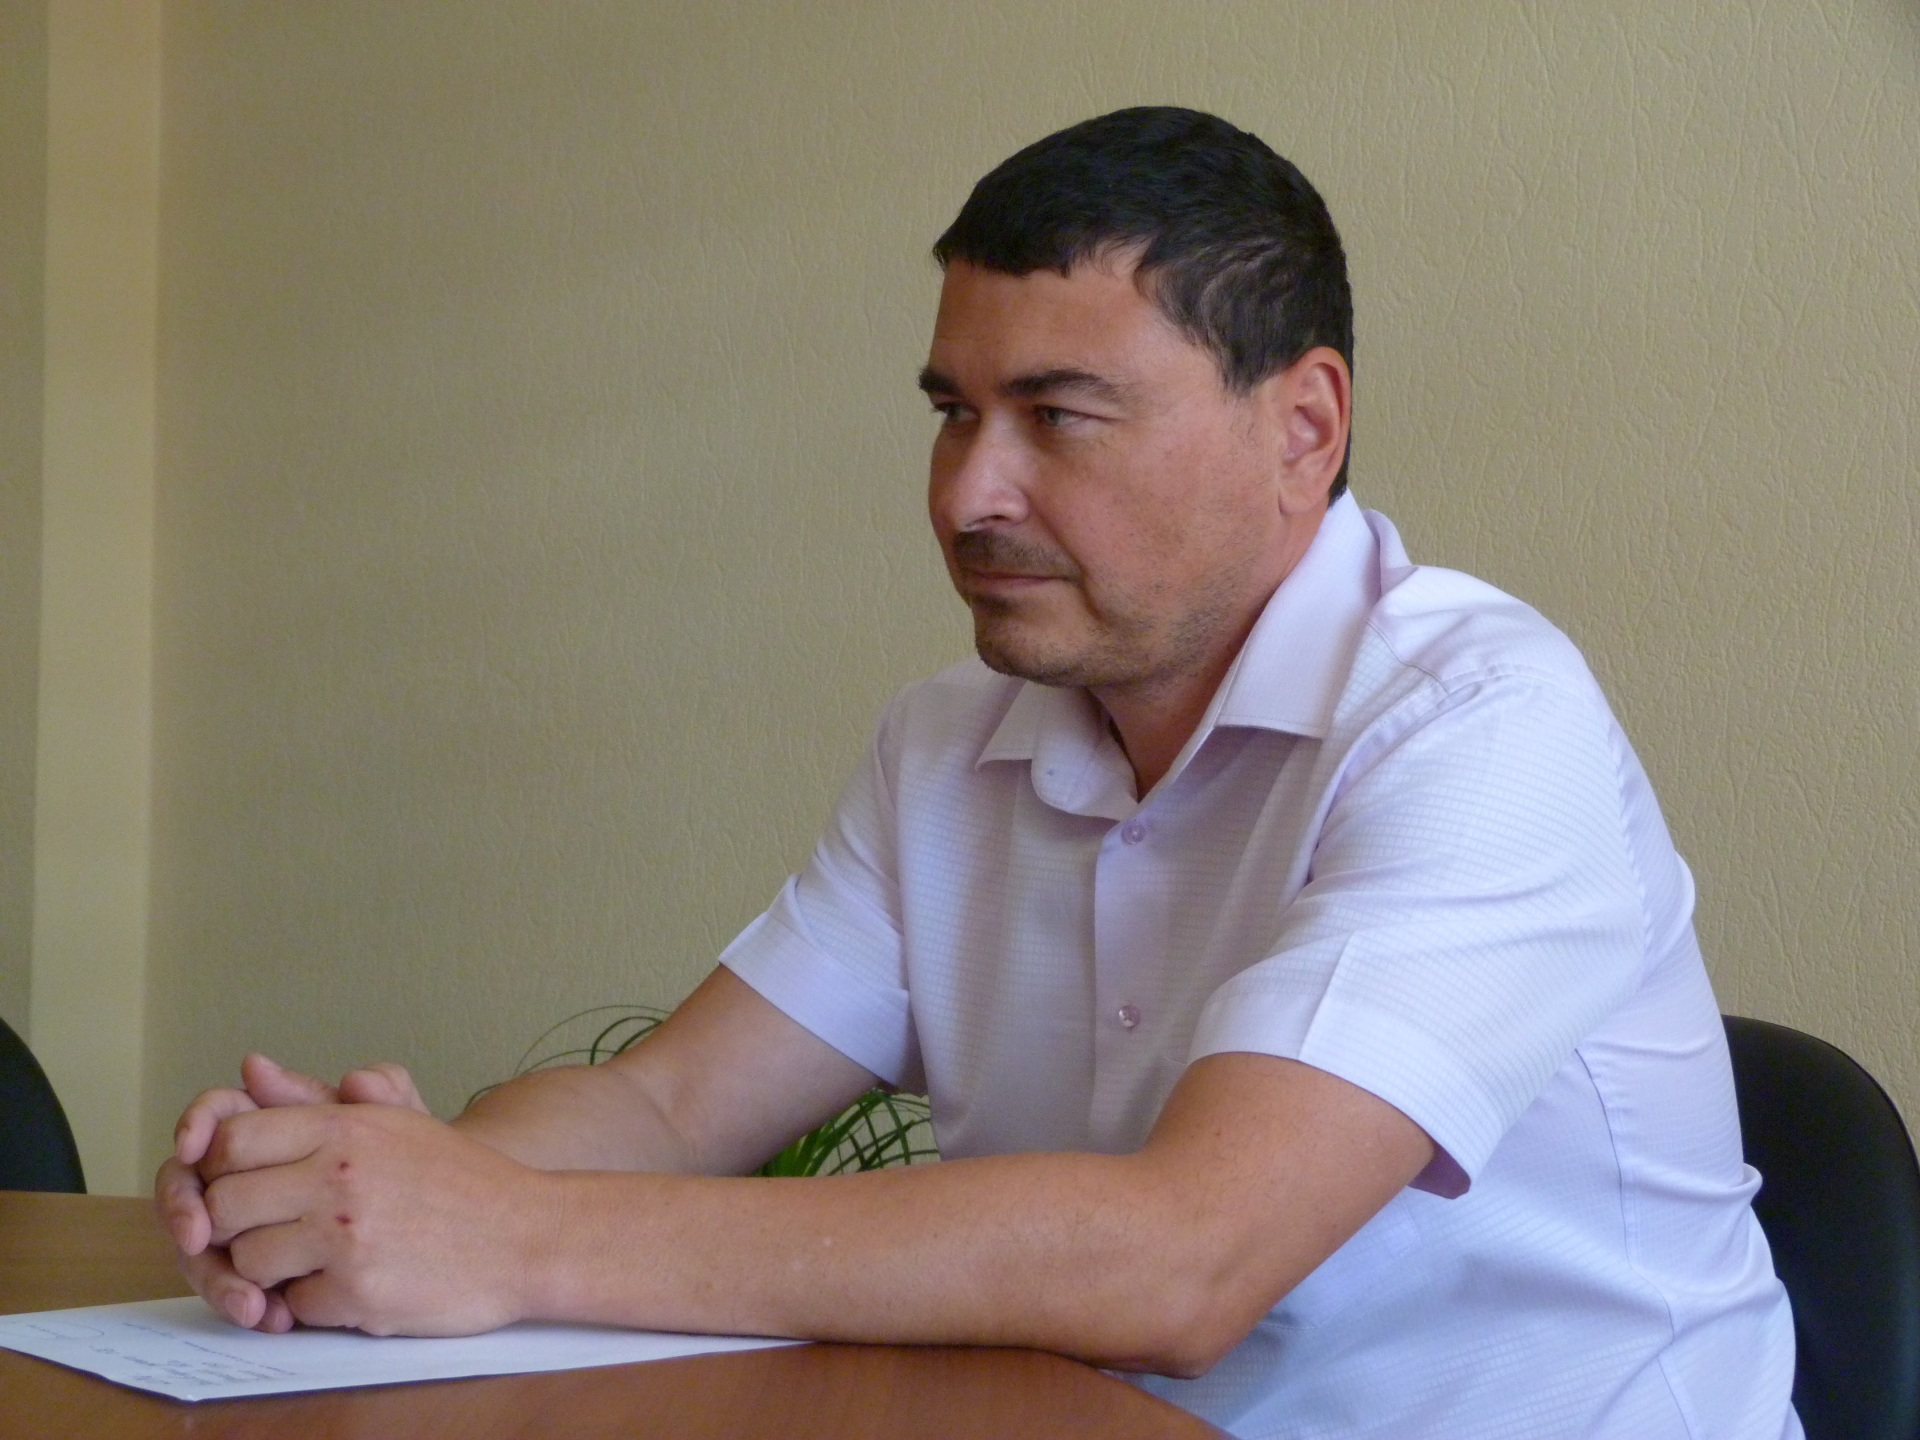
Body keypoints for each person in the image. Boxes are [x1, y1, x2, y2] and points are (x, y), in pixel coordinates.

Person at [157, 107, 1800, 1438]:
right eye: (954, 412)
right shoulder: (952, 739)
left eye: (1059, 416)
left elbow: (1185, 1258)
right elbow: (669, 1104)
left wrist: (510, 1234)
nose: (967, 496)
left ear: (1304, 428)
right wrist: (369, 1193)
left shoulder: (1486, 723)